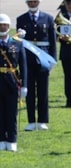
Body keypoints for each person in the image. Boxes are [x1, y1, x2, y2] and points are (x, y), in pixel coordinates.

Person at [17, 0, 56, 132]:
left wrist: (53, 60)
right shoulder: (21, 19)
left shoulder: (48, 18)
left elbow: (52, 41)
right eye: (30, 2)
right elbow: (20, 42)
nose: (32, 4)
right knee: (29, 92)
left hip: (43, 59)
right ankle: (31, 121)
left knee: (43, 91)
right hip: (28, 59)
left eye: (34, 1)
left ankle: (42, 120)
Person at [0, 13, 27, 153]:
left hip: (11, 81)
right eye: (0, 25)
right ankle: (1, 140)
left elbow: (23, 65)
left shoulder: (17, 43)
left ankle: (12, 140)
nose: (2, 28)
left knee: (12, 113)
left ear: (9, 27)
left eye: (5, 25)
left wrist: (24, 86)